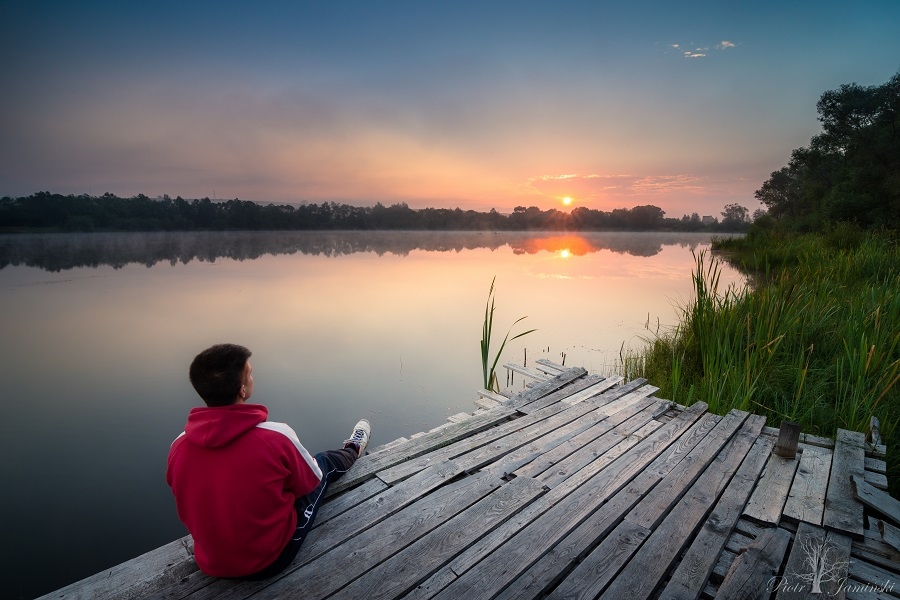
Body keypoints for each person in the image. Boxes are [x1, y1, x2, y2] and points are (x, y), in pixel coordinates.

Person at [166, 343, 370, 579]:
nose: (253, 376)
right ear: (242, 390)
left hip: (211, 564)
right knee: (322, 464)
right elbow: (309, 483)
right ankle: (354, 448)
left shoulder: (178, 446)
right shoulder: (275, 436)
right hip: (269, 560)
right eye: (250, 373)